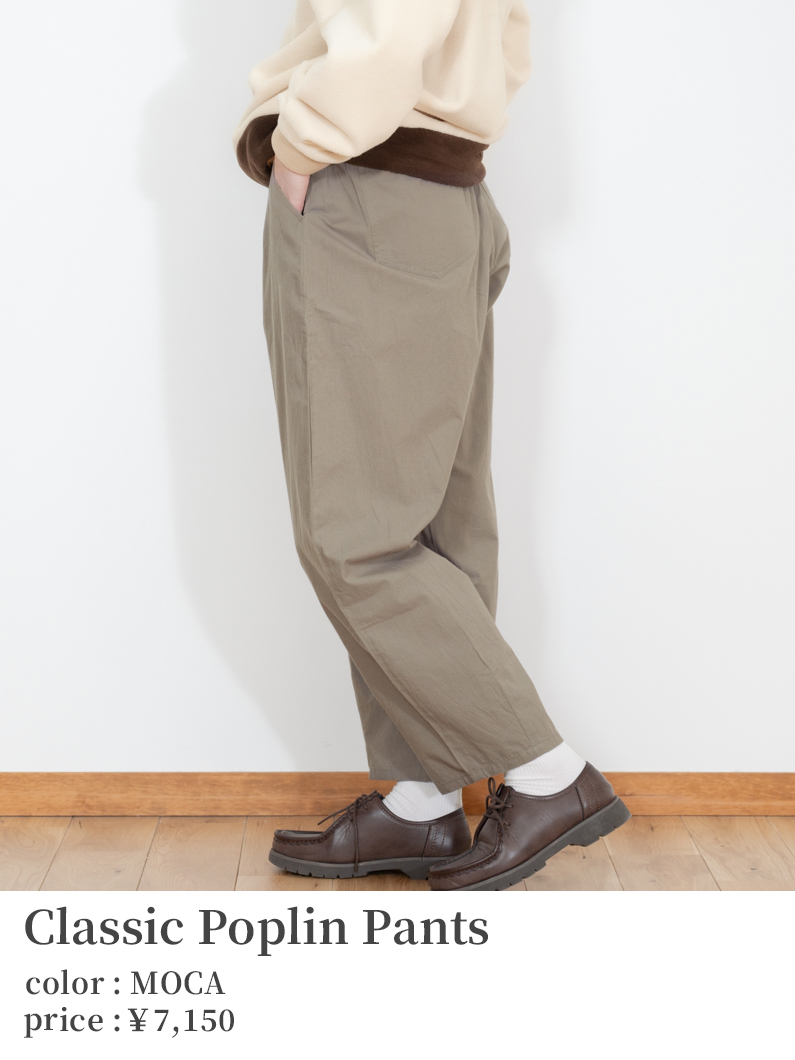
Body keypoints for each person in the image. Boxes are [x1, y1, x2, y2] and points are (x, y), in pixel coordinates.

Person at [234, 0, 629, 891]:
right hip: (444, 194)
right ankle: (422, 803)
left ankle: (548, 775)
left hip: (366, 186)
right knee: (436, 528)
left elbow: (389, 30)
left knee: (355, 536)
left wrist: (302, 142)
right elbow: (503, 45)